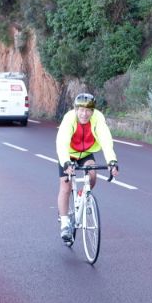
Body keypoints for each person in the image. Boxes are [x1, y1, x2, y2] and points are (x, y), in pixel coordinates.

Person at [56, 92, 119, 243]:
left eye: (88, 111)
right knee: (65, 186)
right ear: (76, 109)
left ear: (93, 111)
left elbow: (105, 140)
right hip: (68, 154)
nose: (84, 114)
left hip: (86, 153)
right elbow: (62, 142)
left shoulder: (97, 118)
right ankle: (64, 223)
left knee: (92, 174)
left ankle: (81, 195)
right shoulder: (69, 119)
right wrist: (65, 162)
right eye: (81, 110)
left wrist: (112, 161)